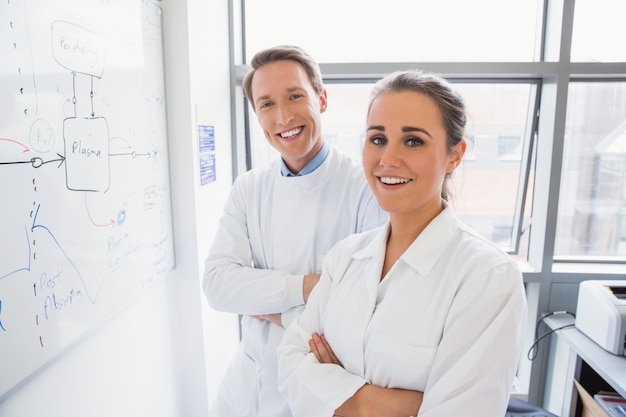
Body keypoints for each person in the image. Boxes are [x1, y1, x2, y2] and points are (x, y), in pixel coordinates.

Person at [277, 69, 528, 417]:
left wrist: (333, 390)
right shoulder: (345, 257)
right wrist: (379, 404)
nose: (388, 159)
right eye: (378, 139)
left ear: (454, 155)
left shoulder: (487, 277)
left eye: (413, 141)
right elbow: (290, 365)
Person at [203, 45, 387, 417]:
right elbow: (218, 285)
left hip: (327, 388)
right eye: (267, 104)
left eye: (295, 96)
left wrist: (271, 309)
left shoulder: (366, 187)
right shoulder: (249, 189)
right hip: (249, 388)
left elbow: (366, 306)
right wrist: (305, 287)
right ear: (257, 116)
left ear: (321, 98)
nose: (283, 116)